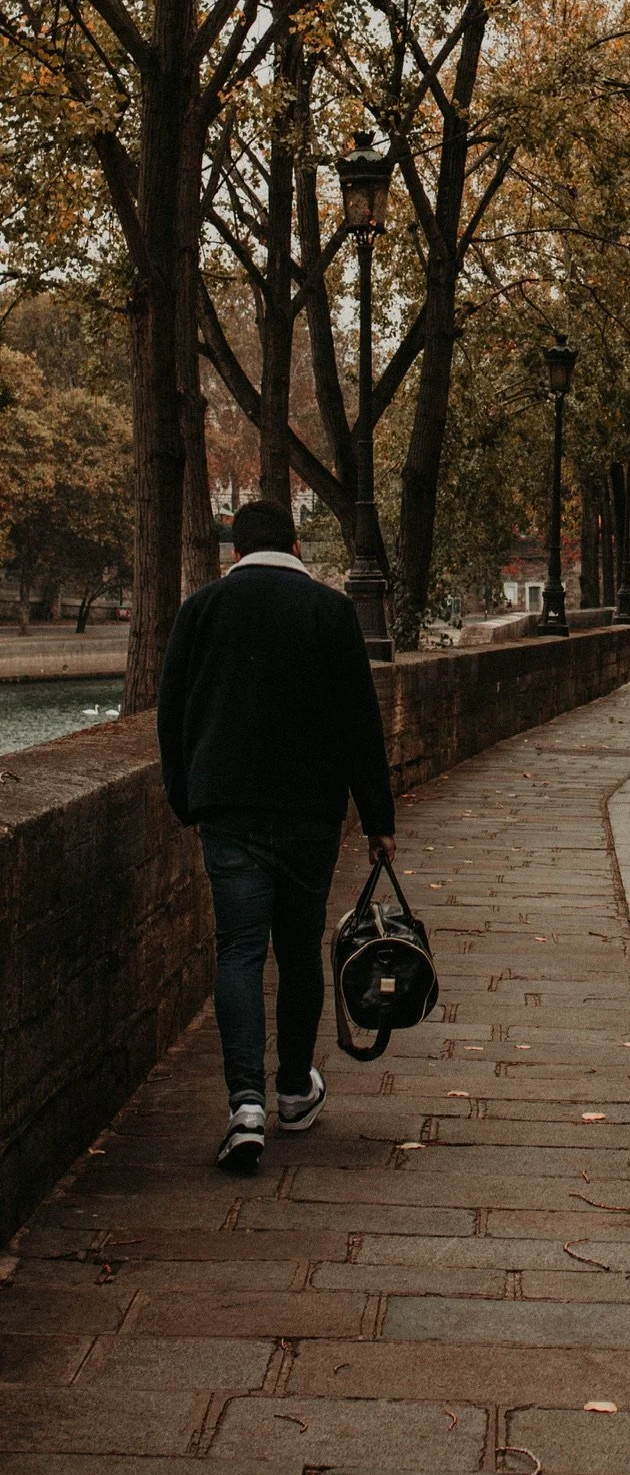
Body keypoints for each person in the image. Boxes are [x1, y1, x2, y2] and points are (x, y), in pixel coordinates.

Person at [157, 499, 396, 1174]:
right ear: (293, 542)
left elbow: (171, 713)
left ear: (237, 549)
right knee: (296, 949)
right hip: (308, 813)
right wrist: (378, 819)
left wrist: (185, 797)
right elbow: (360, 722)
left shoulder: (200, 610)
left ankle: (244, 1106)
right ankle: (293, 1089)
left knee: (237, 949)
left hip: (227, 807)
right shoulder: (328, 610)